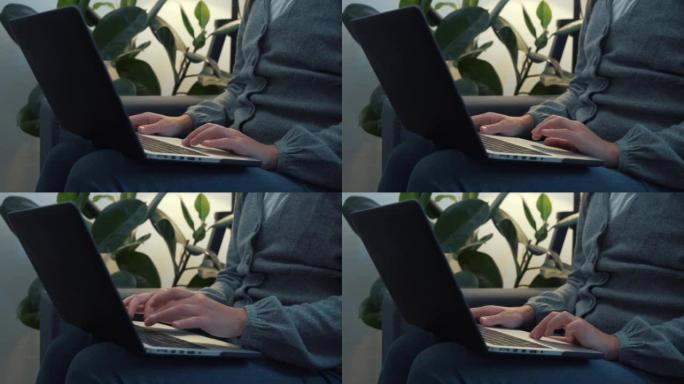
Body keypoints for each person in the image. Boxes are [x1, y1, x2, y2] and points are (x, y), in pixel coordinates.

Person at [379, 0, 684, 192]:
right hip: (576, 152)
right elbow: (583, 88)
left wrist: (615, 151)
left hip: (645, 172)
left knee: (440, 172)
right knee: (413, 150)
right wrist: (525, 121)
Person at [37, 0, 341, 192]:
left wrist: (274, 153)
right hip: (232, 155)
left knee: (97, 171)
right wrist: (184, 121)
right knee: (70, 151)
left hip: (299, 174)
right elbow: (240, 88)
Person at [37, 193, 342, 383]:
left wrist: (243, 321)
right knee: (71, 343)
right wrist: (196, 303)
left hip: (306, 361)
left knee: (97, 366)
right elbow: (234, 275)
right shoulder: (254, 177)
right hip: (238, 344)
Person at [379, 193, 683, 384]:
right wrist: (526, 312)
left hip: (649, 364)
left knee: (439, 365)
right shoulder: (602, 190)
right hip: (578, 349)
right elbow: (581, 279)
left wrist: (617, 344)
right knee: (410, 346)